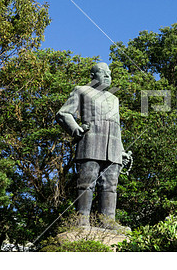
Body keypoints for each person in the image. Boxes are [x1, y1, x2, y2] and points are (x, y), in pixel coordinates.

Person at [56, 62, 130, 229]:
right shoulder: (82, 90)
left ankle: (108, 221)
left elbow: (117, 126)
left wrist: (122, 151)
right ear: (92, 76)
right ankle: (82, 219)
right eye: (102, 73)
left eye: (109, 73)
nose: (107, 76)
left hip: (112, 147)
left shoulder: (114, 98)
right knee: (87, 181)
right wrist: (76, 129)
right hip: (90, 142)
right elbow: (63, 113)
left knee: (111, 185)